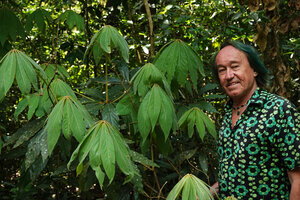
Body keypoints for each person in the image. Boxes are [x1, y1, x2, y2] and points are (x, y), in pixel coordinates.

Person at [210, 41, 300, 199]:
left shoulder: (278, 110)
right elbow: (234, 174)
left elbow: (297, 178)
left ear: (255, 70)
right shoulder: (226, 115)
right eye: (222, 70)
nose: (229, 76)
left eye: (235, 66)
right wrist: (206, 192)